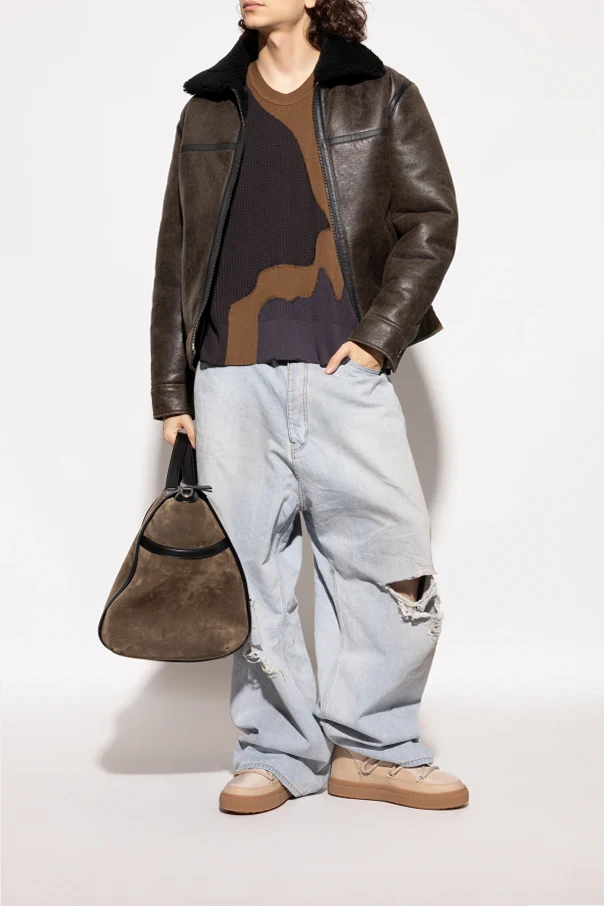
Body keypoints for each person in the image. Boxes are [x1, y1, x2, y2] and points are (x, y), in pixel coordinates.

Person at [150, 0, 469, 813]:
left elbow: (430, 223)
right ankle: (276, 752)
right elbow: (177, 250)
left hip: (343, 373)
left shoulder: (383, 94)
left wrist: (377, 340)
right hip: (230, 378)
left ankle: (375, 747)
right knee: (251, 574)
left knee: (390, 562)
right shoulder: (208, 109)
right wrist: (173, 389)